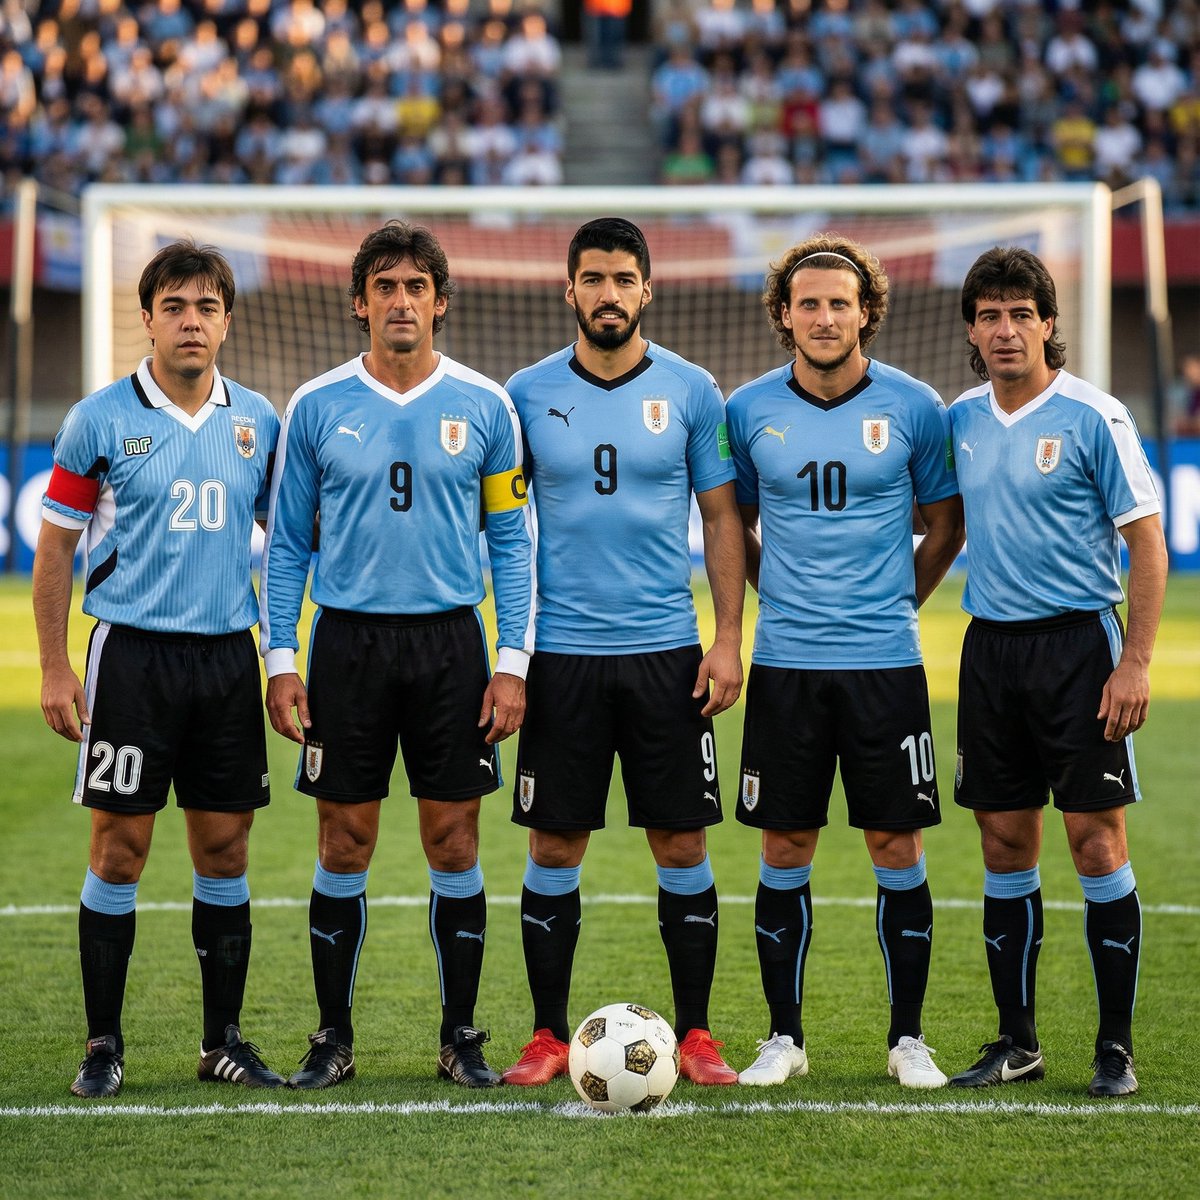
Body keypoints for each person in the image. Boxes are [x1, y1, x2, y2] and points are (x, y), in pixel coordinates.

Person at [260, 220, 533, 1090]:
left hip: (454, 644)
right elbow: (286, 552)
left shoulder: (486, 406)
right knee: (345, 841)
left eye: (417, 287)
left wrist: (513, 660)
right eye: (386, 286)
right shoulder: (316, 405)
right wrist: (280, 656)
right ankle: (332, 1038)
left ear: (441, 302)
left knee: (454, 841)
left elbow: (515, 543)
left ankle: (461, 1037)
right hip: (346, 646)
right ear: (359, 303)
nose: (402, 301)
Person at [33, 239, 284, 1098]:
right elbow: (56, 549)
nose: (190, 321)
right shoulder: (98, 418)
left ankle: (223, 1042)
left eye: (206, 307)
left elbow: (286, 541)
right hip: (130, 656)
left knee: (224, 850)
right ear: (146, 318)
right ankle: (104, 1044)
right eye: (174, 306)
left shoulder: (259, 421)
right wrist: (56, 666)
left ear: (226, 321)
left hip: (225, 660)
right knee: (118, 852)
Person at [499, 217, 746, 1088]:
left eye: (623, 279)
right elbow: (498, 525)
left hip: (665, 655)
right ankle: (544, 1036)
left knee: (681, 844)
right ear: (569, 290)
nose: (609, 294)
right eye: (593, 279)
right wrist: (512, 655)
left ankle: (700, 1036)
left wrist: (725, 639)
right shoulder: (522, 395)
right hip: (562, 656)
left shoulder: (692, 390)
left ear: (649, 290)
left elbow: (721, 518)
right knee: (554, 846)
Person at [725, 234, 964, 1089]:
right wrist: (772, 593)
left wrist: (899, 598)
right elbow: (733, 525)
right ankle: (783, 1038)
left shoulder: (915, 406)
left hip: (885, 665)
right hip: (786, 663)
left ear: (867, 310)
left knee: (893, 841)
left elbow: (945, 524)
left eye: (840, 302)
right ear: (783, 314)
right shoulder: (749, 409)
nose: (824, 317)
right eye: (808, 303)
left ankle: (908, 1039)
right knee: (785, 843)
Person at [946, 246, 1168, 1098]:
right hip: (990, 652)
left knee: (1095, 841)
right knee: (1004, 844)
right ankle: (1017, 1041)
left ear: (1047, 323)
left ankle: (1114, 1048)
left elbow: (1146, 544)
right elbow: (943, 526)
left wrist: (1135, 662)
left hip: (1080, 649)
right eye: (990, 315)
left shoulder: (1093, 416)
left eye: (1021, 314)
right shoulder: (962, 419)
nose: (1006, 330)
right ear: (972, 328)